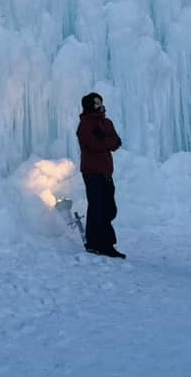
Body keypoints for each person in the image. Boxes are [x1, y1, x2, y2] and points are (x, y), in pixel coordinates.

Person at [76, 92, 125, 259]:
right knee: (97, 207)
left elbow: (117, 142)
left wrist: (105, 140)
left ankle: (104, 243)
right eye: (96, 103)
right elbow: (93, 144)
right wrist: (107, 141)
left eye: (100, 102)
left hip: (106, 171)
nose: (99, 105)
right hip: (91, 172)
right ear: (89, 105)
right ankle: (97, 244)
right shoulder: (85, 125)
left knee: (109, 208)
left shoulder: (106, 122)